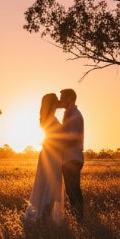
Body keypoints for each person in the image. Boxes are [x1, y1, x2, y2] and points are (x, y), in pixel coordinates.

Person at [22, 93, 66, 224]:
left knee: (46, 186)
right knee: (50, 187)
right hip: (52, 155)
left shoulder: (47, 118)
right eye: (55, 103)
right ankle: (44, 218)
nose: (57, 105)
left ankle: (43, 217)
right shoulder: (50, 119)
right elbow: (57, 138)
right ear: (51, 104)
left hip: (49, 154)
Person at [58, 88, 84, 220]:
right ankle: (78, 217)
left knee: (73, 190)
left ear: (70, 99)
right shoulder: (69, 113)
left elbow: (72, 138)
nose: (60, 100)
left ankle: (79, 218)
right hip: (69, 158)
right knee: (71, 190)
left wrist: (55, 144)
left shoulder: (74, 115)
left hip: (72, 158)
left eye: (62, 98)